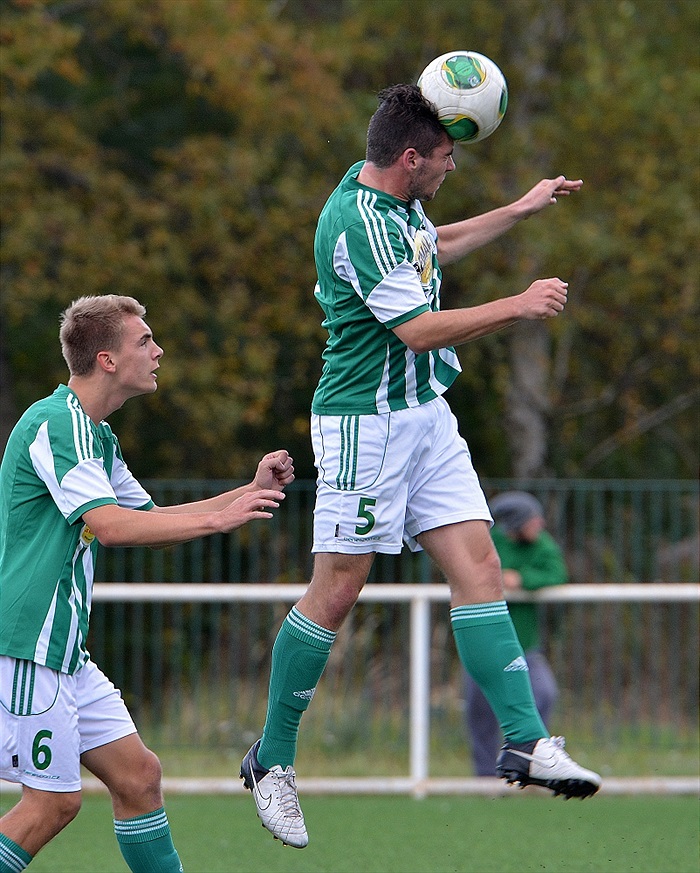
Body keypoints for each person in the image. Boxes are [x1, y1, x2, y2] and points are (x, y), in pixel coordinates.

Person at [239, 83, 600, 850]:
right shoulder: (357, 222)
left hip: (426, 420)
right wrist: (517, 303)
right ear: (409, 161)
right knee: (337, 590)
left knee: (481, 568)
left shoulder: (388, 197)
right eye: (443, 161)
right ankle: (271, 759)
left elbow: (433, 246)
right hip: (363, 425)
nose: (450, 172)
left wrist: (520, 211)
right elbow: (418, 329)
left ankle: (526, 742)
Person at [0, 294, 295, 873]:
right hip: (26, 649)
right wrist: (219, 519)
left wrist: (248, 490)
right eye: (145, 341)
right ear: (107, 359)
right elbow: (108, 527)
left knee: (139, 777)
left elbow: (152, 518)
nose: (158, 351)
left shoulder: (96, 436)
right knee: (53, 804)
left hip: (61, 653)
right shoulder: (56, 424)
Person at [465, 491, 567, 776]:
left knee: (544, 694)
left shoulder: (541, 545)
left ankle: (534, 767)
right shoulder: (490, 542)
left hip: (524, 644)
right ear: (515, 523)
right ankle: (486, 778)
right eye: (533, 520)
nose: (540, 524)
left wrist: (521, 579)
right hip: (484, 644)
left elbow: (557, 573)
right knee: (480, 711)